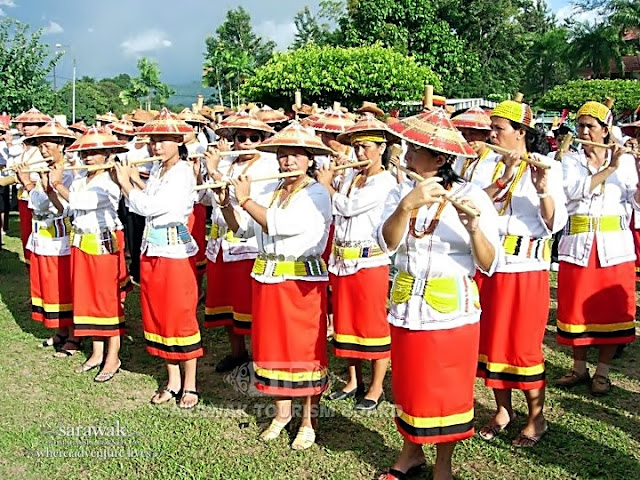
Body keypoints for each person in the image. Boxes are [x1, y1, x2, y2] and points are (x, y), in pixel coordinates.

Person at [379, 108, 501, 480]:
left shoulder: (472, 196)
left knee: (447, 389)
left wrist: (474, 229)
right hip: (407, 306)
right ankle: (410, 454)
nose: (406, 154)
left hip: (452, 312)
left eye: (415, 149)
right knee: (410, 384)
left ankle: (443, 465)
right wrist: (406, 207)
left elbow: (490, 263)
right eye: (407, 146)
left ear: (441, 158)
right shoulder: (400, 191)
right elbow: (386, 243)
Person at [222, 123, 332, 450]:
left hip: (300, 284)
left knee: (303, 351)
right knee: (272, 349)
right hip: (268, 281)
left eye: (295, 156)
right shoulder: (271, 192)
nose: (287, 162)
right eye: (282, 156)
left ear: (309, 159)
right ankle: (282, 414)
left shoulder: (316, 194)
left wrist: (243, 200)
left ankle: (308, 420)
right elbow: (243, 230)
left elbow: (278, 224)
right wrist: (226, 203)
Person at [474, 98, 567, 447]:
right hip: (492, 266)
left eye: (498, 129)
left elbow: (555, 223)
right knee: (493, 342)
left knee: (524, 346)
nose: (491, 135)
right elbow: (474, 204)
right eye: (492, 129)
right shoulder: (488, 166)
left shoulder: (548, 167)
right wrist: (504, 179)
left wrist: (542, 189)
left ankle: (536, 417)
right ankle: (502, 410)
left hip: (527, 269)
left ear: (521, 132)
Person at [114, 108, 204, 407]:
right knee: (157, 313)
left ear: (179, 141)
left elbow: (151, 208)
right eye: (153, 140)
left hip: (175, 255)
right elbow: (151, 197)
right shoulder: (158, 170)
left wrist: (126, 183)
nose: (156, 146)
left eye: (163, 140)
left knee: (180, 315)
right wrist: (132, 181)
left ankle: (190, 384)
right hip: (152, 251)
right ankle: (172, 379)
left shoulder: (182, 172)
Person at [555, 100, 639, 395]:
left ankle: (603, 370)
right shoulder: (569, 160)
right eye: (580, 126)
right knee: (576, 307)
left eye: (591, 126)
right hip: (578, 244)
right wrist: (610, 168)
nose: (585, 131)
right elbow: (571, 191)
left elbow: (636, 201)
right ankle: (579, 366)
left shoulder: (626, 161)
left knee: (611, 310)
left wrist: (632, 165)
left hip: (614, 247)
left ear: (605, 130)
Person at [315, 114, 397, 410]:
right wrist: (332, 178)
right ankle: (353, 380)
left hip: (369, 263)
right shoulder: (351, 175)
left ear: (380, 148)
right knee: (345, 323)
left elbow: (348, 208)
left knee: (372, 324)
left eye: (365, 147)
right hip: (341, 261)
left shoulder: (385, 181)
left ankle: (376, 387)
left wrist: (327, 186)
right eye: (356, 147)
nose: (359, 153)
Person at [49, 127, 131, 381]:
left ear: (107, 154)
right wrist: (51, 188)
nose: (88, 157)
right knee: (88, 298)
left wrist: (57, 183)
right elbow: (66, 207)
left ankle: (113, 356)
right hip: (82, 242)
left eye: (94, 153)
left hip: (103, 244)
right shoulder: (82, 178)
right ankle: (96, 352)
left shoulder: (110, 181)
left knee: (107, 300)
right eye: (85, 152)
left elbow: (81, 203)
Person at [203, 112, 278, 373]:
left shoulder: (268, 166)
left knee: (250, 305)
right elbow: (206, 200)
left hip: (247, 245)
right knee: (226, 303)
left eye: (254, 138)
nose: (247, 142)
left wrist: (213, 171)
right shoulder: (227, 163)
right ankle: (237, 352)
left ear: (263, 139)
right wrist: (204, 172)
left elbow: (255, 203)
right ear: (233, 140)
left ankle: (259, 356)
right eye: (241, 137)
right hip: (220, 243)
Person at [15, 121, 76, 350]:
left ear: (61, 145)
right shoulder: (44, 168)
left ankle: (74, 335)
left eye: (47, 145)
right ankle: (60, 330)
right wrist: (31, 184)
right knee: (49, 285)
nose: (42, 150)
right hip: (42, 236)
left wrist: (30, 185)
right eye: (39, 146)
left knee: (63, 284)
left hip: (60, 238)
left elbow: (55, 206)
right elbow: (38, 204)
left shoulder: (69, 170)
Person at [12, 108, 52, 265]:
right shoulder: (22, 146)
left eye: (32, 124)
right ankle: (31, 264)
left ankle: (38, 263)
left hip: (40, 194)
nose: (26, 127)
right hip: (24, 195)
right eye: (24, 124)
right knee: (26, 232)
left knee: (39, 230)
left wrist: (27, 179)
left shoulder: (45, 149)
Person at [451, 106, 499, 185]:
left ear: (486, 134)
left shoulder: (495, 160)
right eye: (464, 134)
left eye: (473, 134)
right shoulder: (458, 156)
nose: (468, 138)